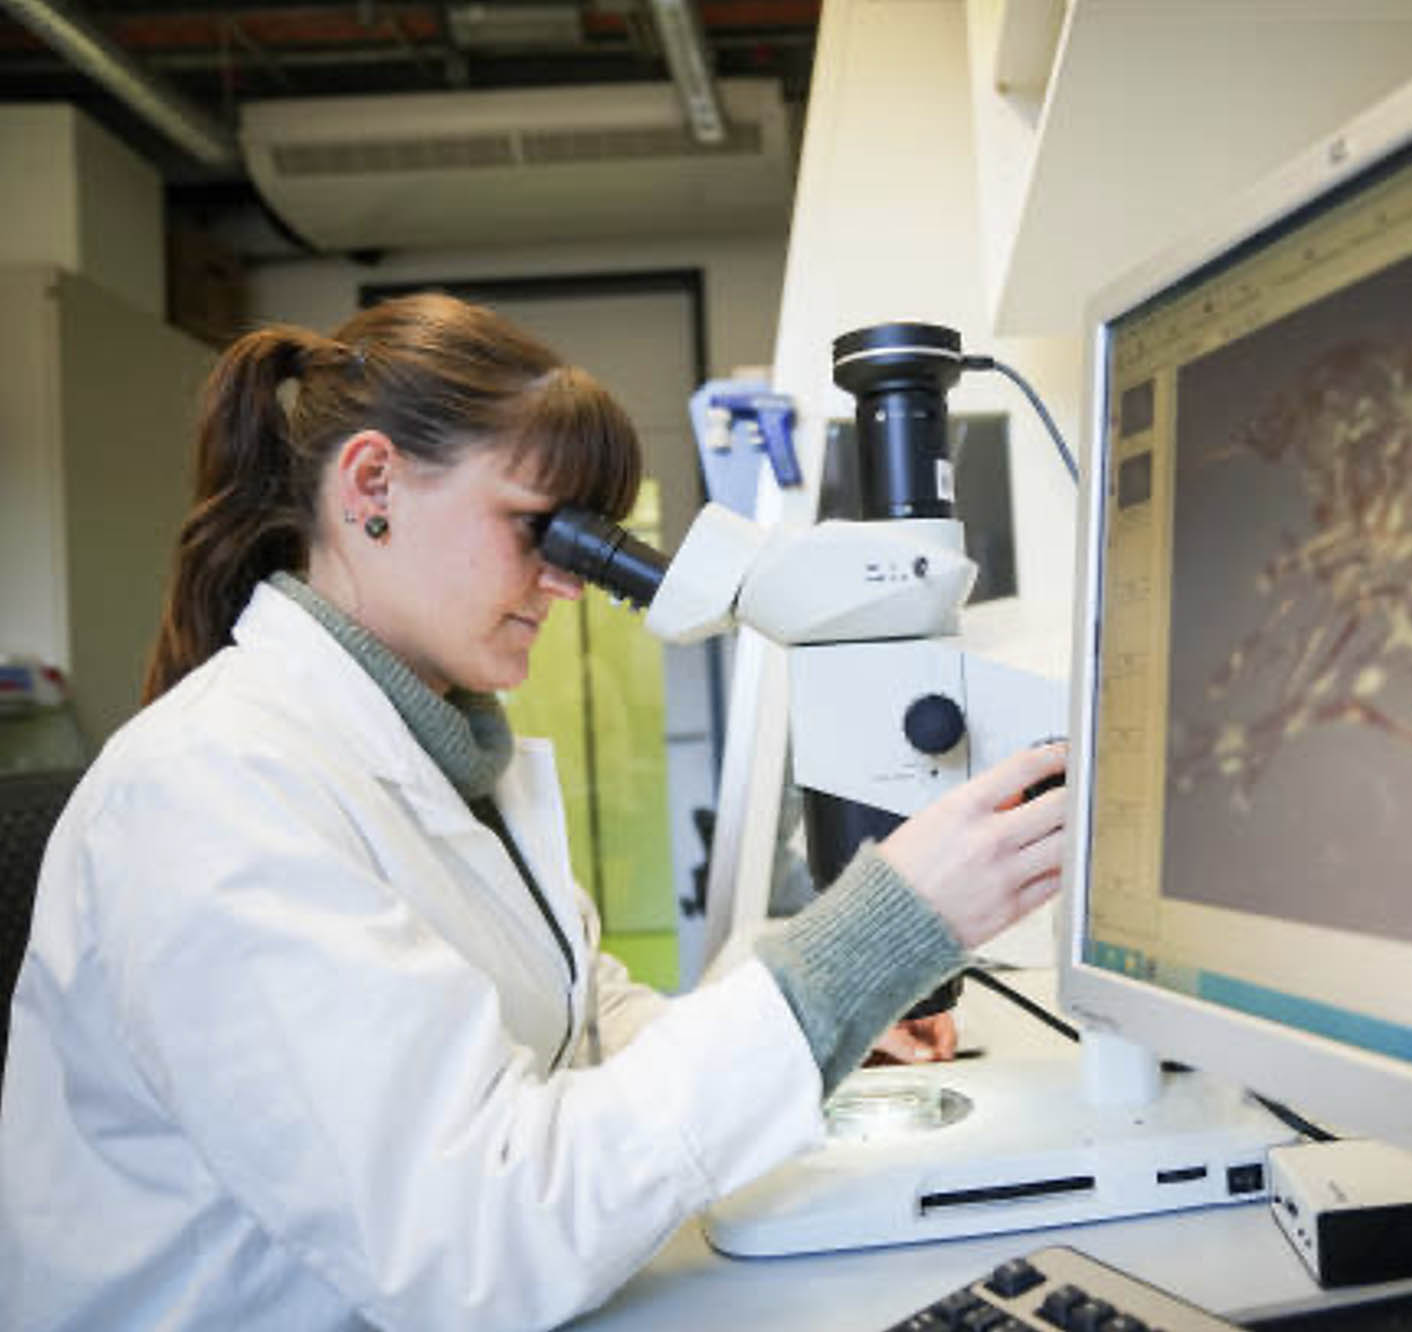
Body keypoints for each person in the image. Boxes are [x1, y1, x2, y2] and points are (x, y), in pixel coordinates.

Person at [0, 293, 1068, 1331]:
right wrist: (864, 945)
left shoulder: (453, 761)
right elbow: (470, 1247)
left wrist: (828, 1026)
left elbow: (587, 1037)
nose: (565, 583)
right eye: (538, 529)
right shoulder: (212, 795)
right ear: (372, 484)